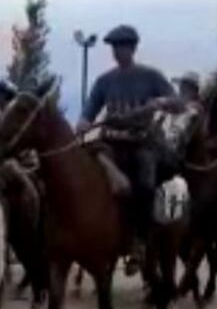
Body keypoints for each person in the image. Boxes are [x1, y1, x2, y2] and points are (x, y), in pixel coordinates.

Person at [76, 24, 182, 246]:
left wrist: (162, 101)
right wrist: (84, 121)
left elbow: (178, 103)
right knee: (85, 172)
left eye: (121, 46)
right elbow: (91, 107)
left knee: (145, 182)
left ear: (132, 48)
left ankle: (141, 238)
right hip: (111, 142)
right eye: (114, 47)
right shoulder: (104, 80)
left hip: (141, 143)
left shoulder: (151, 76)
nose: (116, 51)